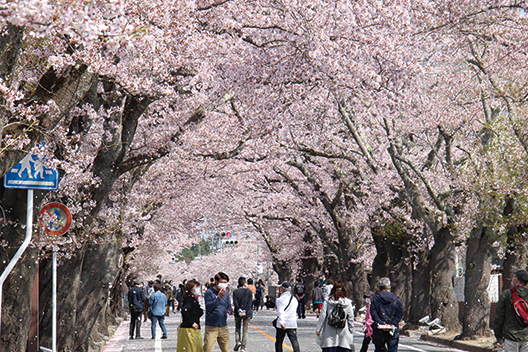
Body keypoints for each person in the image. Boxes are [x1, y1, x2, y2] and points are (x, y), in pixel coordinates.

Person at [494, 269, 528, 351]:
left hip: (510, 336)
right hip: (526, 336)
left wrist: (498, 335)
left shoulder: (507, 294)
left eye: (514, 277)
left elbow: (499, 316)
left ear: (516, 280)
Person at [315, 280, 355, 352]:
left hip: (329, 334)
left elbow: (322, 316)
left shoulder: (327, 301)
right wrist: (351, 330)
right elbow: (351, 318)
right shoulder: (348, 302)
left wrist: (318, 329)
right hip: (343, 335)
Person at [370, 277, 403, 352]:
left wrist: (381, 323)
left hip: (379, 329)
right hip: (393, 329)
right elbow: (399, 313)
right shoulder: (396, 299)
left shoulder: (375, 299)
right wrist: (392, 323)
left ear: (379, 288)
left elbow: (373, 313)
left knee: (379, 349)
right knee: (392, 349)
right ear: (389, 288)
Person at [203, 272, 233, 352]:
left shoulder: (226, 292)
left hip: (223, 326)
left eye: (225, 282)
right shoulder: (209, 292)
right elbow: (209, 307)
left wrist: (230, 310)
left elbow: (228, 304)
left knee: (226, 350)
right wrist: (218, 297)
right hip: (211, 326)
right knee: (208, 349)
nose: (224, 284)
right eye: (222, 282)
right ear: (216, 282)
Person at [177, 279, 204, 352]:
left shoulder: (194, 300)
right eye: (196, 287)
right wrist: (192, 322)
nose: (198, 289)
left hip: (193, 329)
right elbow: (184, 311)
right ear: (191, 289)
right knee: (191, 349)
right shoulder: (190, 300)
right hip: (189, 329)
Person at [274, 281, 300, 352]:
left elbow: (280, 312)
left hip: (282, 324)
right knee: (294, 341)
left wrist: (281, 322)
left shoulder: (280, 299)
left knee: (279, 341)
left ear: (283, 289)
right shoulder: (294, 299)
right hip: (292, 323)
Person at [232, 277, 253, 352]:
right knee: (245, 329)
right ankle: (243, 347)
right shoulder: (249, 292)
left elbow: (235, 302)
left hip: (238, 312)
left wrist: (239, 309)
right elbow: (249, 303)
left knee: (237, 327)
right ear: (244, 283)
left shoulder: (235, 292)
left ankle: (238, 341)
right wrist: (245, 310)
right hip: (247, 313)